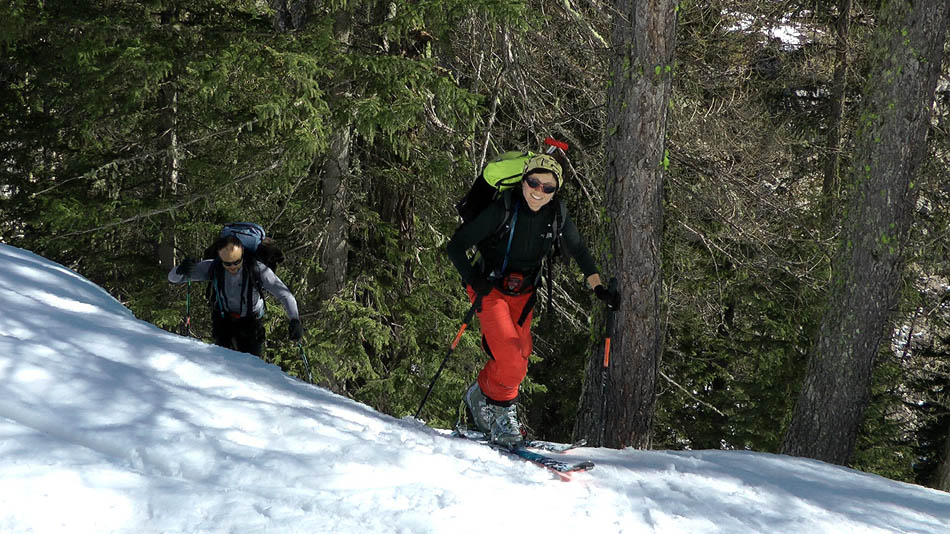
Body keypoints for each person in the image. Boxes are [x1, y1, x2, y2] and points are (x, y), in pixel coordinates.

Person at [446, 153, 620, 447]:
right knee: (512, 359)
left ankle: (480, 394)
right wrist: (474, 280)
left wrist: (598, 288)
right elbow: (456, 246)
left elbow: (579, 251)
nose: (539, 192)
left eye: (548, 188)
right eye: (533, 183)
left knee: (521, 356)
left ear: (555, 191)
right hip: (489, 288)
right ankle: (502, 415)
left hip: (524, 293)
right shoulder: (501, 209)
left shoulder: (557, 215)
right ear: (524, 180)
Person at [168, 235, 303, 357]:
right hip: (223, 320)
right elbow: (173, 278)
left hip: (251, 322)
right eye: (227, 263)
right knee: (223, 362)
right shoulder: (214, 267)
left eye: (237, 262)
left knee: (252, 366)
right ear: (220, 258)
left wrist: (294, 319)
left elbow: (284, 294)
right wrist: (181, 269)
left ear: (242, 255)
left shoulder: (257, 269)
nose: (232, 267)